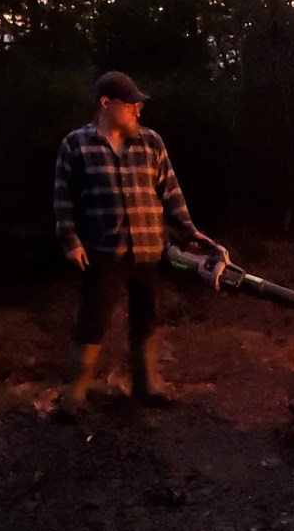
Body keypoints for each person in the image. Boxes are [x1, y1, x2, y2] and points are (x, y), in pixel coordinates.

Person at [53, 70, 225, 413]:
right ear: (106, 103)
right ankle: (75, 393)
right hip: (103, 252)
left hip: (149, 249)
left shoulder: (151, 142)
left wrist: (190, 231)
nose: (137, 111)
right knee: (93, 319)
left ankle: (146, 385)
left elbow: (171, 192)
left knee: (146, 316)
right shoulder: (77, 144)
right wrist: (71, 240)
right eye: (130, 104)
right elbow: (63, 199)